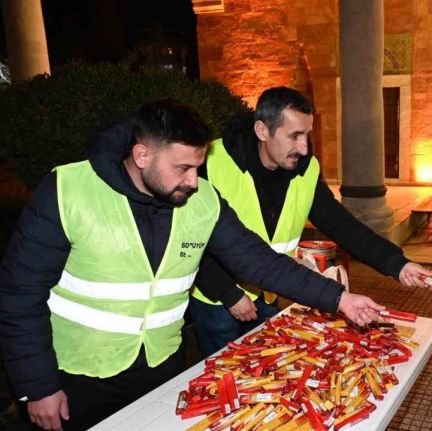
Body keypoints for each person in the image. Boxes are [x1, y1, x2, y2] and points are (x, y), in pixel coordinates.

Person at [0, 100, 384, 431]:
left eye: (197, 168)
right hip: (77, 378)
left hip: (161, 368)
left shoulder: (201, 201)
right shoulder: (68, 189)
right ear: (142, 156)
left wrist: (338, 299)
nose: (194, 181)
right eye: (183, 168)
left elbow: (260, 262)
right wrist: (38, 385)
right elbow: (19, 296)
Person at [190, 86, 432, 355]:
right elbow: (190, 239)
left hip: (272, 287)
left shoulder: (304, 167)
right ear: (262, 130)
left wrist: (397, 264)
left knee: (264, 375)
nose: (304, 147)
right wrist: (228, 293)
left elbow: (341, 225)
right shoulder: (209, 162)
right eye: (294, 136)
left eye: (307, 135)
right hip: (217, 298)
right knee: (219, 376)